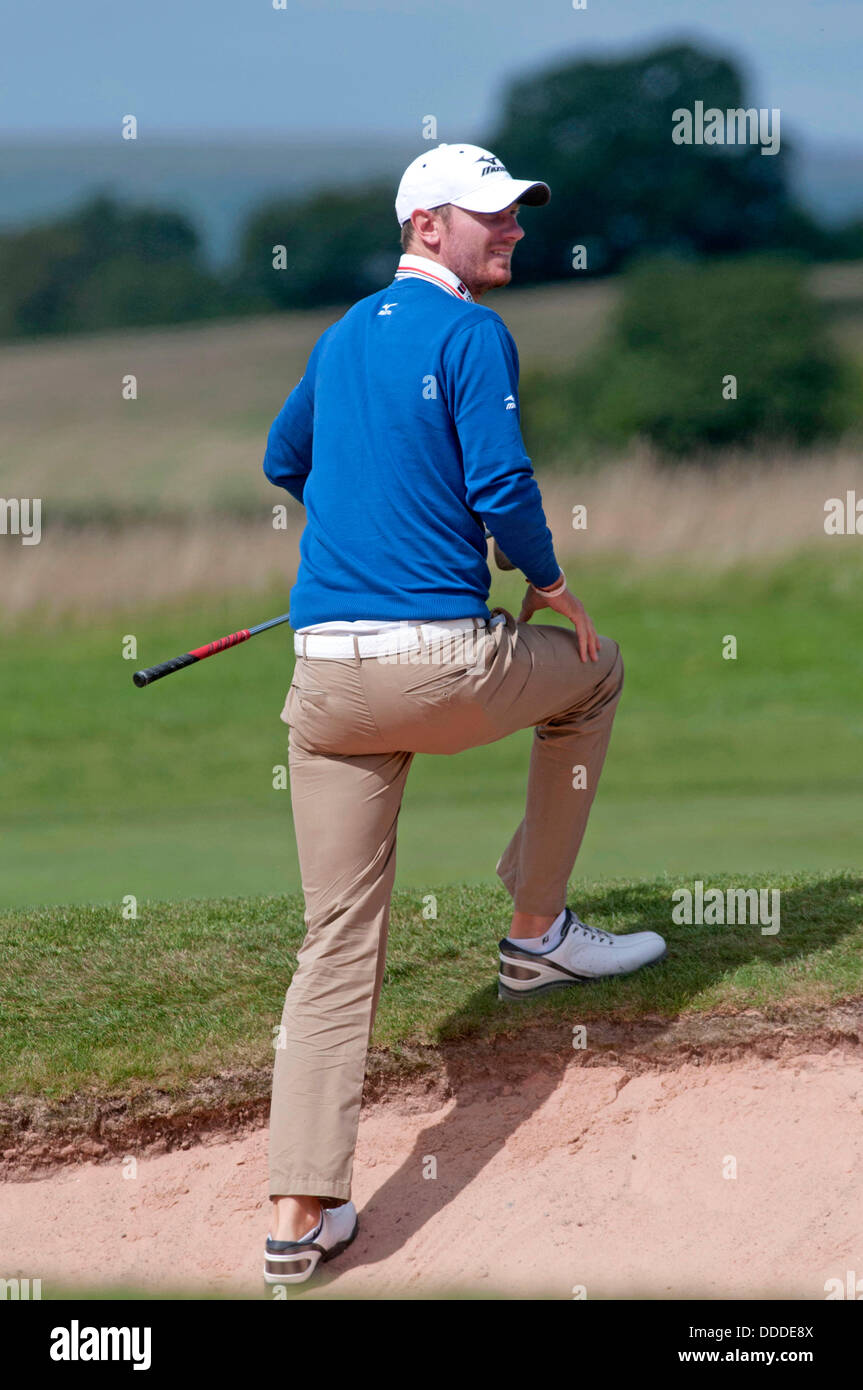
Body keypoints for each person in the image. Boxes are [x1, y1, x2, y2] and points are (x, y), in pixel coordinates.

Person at [260, 142, 666, 1286]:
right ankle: (535, 932)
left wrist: (368, 519)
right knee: (592, 673)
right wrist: (545, 582)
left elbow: (284, 455)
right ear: (425, 226)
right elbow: (500, 487)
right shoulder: (473, 334)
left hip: (324, 679)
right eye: (492, 216)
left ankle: (299, 1215)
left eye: (517, 215)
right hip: (440, 664)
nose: (515, 233)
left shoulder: (343, 334)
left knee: (333, 941)